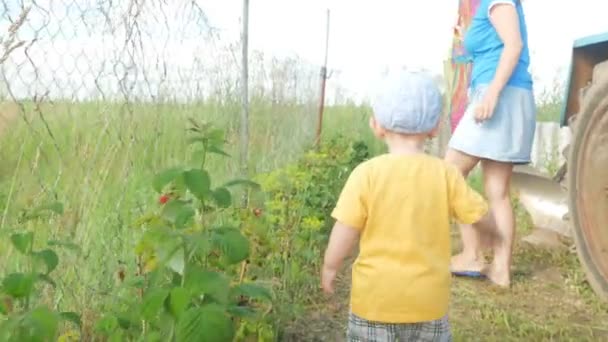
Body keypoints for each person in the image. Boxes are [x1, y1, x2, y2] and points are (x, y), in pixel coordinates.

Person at [321, 70, 489, 341]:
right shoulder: (446, 174)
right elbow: (475, 214)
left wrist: (330, 266)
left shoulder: (366, 174)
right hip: (429, 302)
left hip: (374, 301)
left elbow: (345, 229)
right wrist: (490, 236)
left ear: (376, 126)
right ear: (435, 128)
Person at [446, 0, 535, 288]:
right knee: (497, 191)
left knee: (449, 173)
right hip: (507, 95)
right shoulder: (487, 5)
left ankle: (473, 253)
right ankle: (500, 269)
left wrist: (493, 94)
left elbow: (513, 45)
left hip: (498, 97)